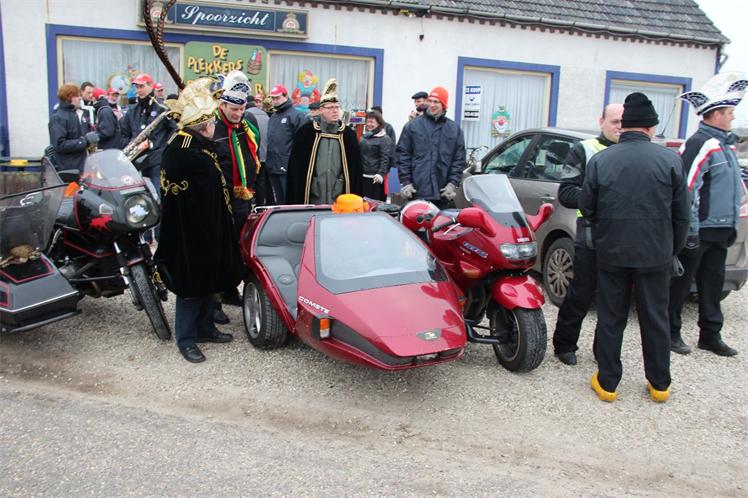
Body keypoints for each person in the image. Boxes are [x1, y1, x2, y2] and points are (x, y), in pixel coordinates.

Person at [579, 92, 689, 403]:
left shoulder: (601, 160)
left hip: (612, 252)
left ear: (624, 126)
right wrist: (672, 249)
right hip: (656, 253)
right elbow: (682, 215)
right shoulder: (671, 160)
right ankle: (659, 384)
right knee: (655, 318)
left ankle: (608, 382)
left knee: (611, 317)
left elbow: (587, 207)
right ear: (651, 128)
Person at [154, 78, 243, 363]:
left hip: (206, 230)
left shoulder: (195, 147)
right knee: (191, 287)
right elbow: (186, 202)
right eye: (212, 122)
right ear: (204, 126)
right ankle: (186, 339)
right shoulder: (185, 153)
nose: (215, 126)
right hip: (190, 234)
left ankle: (205, 329)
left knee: (207, 281)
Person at [669, 72, 747, 357]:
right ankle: (670, 332)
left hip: (721, 228)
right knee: (680, 284)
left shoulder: (726, 144)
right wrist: (689, 229)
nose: (732, 117)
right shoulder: (701, 142)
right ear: (715, 115)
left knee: (712, 285)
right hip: (699, 229)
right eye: (729, 112)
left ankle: (710, 335)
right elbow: (688, 188)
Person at [552, 103, 624, 366]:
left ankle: (603, 350)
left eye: (624, 122)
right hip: (591, 235)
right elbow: (567, 193)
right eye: (615, 121)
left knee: (613, 300)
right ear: (601, 121)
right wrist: (602, 198)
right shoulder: (584, 150)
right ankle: (565, 345)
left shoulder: (631, 153)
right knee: (580, 294)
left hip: (622, 237)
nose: (620, 127)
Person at [213, 70, 264, 315]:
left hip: (244, 198)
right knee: (218, 251)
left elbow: (256, 162)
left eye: (242, 109)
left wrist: (258, 197)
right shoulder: (211, 128)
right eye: (234, 109)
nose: (238, 113)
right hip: (218, 201)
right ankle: (214, 302)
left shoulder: (248, 127)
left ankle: (231, 291)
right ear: (222, 105)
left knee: (239, 248)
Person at [286, 79, 363, 205]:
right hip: (313, 195)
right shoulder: (306, 132)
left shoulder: (348, 134)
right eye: (330, 107)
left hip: (339, 195)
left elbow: (355, 170)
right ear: (321, 110)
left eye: (337, 107)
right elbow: (296, 169)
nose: (335, 110)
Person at [397, 86, 465, 209]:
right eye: (430, 101)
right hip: (417, 191)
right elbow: (403, 155)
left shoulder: (454, 129)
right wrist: (406, 182)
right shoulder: (412, 126)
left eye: (436, 102)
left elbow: (459, 159)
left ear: (443, 105)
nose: (432, 105)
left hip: (443, 193)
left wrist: (452, 183)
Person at [120, 73, 174, 197]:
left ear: (151, 85)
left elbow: (174, 132)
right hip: (136, 162)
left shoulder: (163, 108)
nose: (139, 90)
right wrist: (133, 145)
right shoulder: (132, 111)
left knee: (159, 195)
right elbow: (124, 134)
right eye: (137, 87)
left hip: (158, 161)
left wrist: (157, 145)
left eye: (142, 86)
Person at [266, 83, 305, 204]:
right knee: (278, 200)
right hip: (273, 165)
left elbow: (301, 144)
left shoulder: (297, 115)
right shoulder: (273, 116)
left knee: (288, 200)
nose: (275, 101)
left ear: (285, 96)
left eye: (277, 97)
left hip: (287, 166)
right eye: (273, 98)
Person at [48, 83, 99, 172]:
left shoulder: (76, 114)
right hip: (70, 169)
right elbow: (60, 145)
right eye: (77, 96)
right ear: (68, 98)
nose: (80, 98)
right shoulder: (58, 117)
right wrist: (84, 141)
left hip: (83, 166)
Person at [359, 110, 393, 201]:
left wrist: (380, 174)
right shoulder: (364, 137)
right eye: (367, 122)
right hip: (363, 176)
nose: (369, 124)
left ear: (379, 123)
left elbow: (385, 158)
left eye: (372, 122)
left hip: (375, 178)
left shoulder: (384, 139)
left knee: (374, 203)